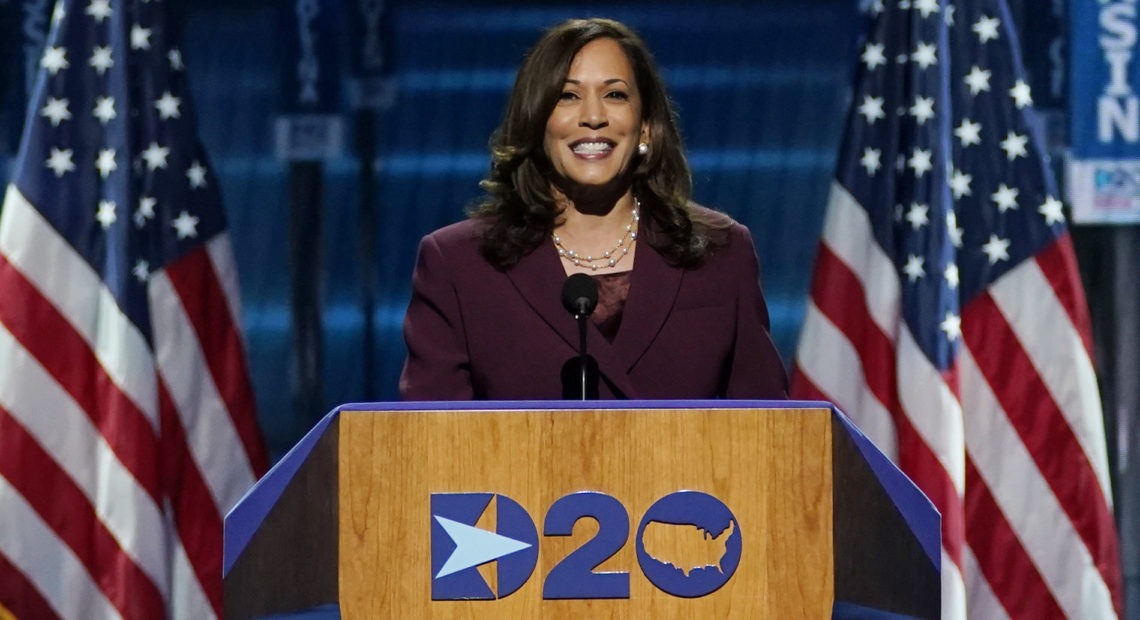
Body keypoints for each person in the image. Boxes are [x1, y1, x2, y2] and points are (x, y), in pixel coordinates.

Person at [399, 17, 787, 400]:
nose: (593, 116)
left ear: (647, 126)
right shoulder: (459, 264)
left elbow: (770, 431)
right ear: (536, 122)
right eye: (568, 96)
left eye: (615, 94)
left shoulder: (720, 252)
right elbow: (431, 444)